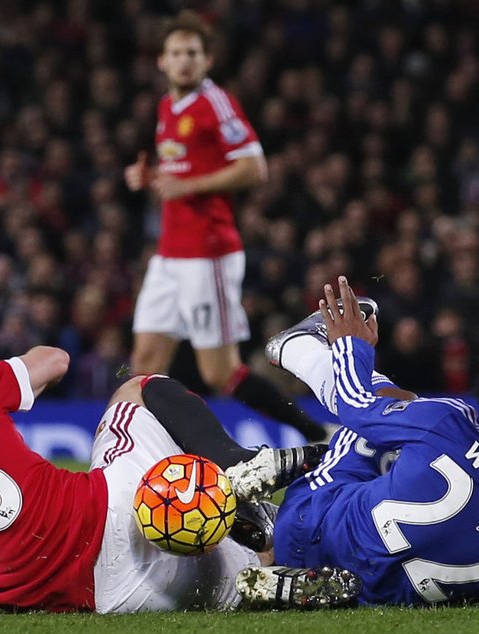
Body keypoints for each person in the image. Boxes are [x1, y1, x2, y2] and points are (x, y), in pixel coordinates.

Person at [0, 322, 357, 616]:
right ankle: (231, 472)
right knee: (139, 387)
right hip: (117, 507)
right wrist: (4, 371)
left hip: (107, 595)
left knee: (232, 578)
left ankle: (249, 577)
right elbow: (54, 362)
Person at [261, 276, 479, 606]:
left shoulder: (448, 421)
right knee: (404, 429)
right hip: (370, 591)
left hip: (307, 532)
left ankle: (299, 347)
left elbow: (355, 405)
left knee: (386, 420)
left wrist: (351, 346)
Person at [124, 11, 329, 444]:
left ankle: (313, 431)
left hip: (208, 252)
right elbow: (182, 170)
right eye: (176, 53)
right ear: (161, 61)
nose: (184, 61)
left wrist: (186, 184)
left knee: (220, 372)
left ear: (207, 61)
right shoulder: (167, 106)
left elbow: (255, 168)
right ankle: (152, 457)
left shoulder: (215, 102)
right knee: (144, 363)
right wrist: (152, 178)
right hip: (169, 253)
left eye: (192, 53)